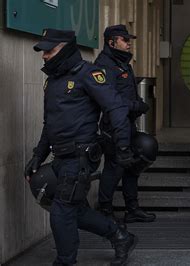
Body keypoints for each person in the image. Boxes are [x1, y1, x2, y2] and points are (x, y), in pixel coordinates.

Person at [25, 29, 137, 266]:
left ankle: (65, 261)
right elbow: (50, 123)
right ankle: (119, 235)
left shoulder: (89, 74)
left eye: (49, 50)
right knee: (74, 210)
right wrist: (38, 155)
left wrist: (123, 145)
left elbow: (116, 108)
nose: (44, 55)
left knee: (60, 211)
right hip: (61, 156)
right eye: (43, 51)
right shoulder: (52, 81)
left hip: (81, 156)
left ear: (65, 48)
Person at [95, 25, 156, 223]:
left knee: (131, 167)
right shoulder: (104, 65)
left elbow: (127, 92)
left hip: (127, 124)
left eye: (128, 39)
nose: (129, 43)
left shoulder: (123, 63)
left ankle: (132, 209)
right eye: (124, 40)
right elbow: (109, 100)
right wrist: (136, 105)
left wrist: (136, 104)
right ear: (111, 42)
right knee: (113, 168)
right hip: (113, 126)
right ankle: (104, 211)